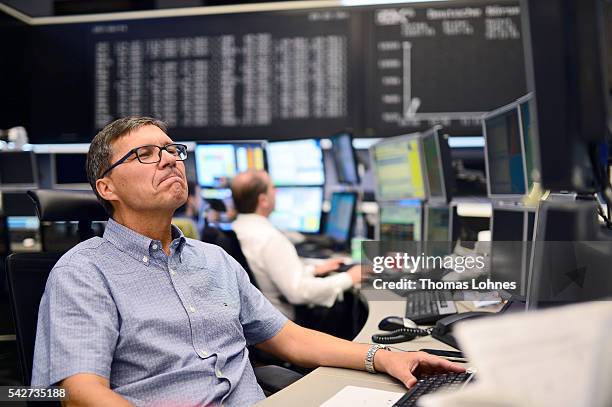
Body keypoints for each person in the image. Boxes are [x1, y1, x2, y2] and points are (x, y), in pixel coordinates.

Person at [31, 117, 464, 407]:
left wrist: (382, 356)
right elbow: (80, 391)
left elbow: (289, 339)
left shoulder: (214, 260)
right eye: (144, 154)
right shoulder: (84, 273)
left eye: (170, 150)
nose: (167, 159)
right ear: (107, 188)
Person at [231, 170, 361, 321]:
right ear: (263, 200)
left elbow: (275, 274)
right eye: (273, 188)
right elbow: (299, 292)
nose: (276, 192)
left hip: (260, 319)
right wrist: (349, 277)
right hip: (283, 322)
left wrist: (313, 270)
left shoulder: (240, 228)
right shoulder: (270, 238)